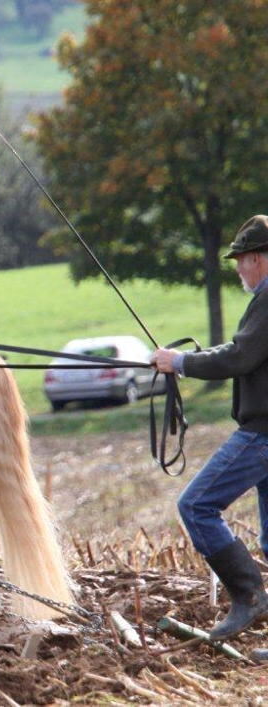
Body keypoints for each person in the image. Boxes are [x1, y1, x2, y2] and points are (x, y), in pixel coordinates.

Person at [152, 214, 268, 642]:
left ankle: (249, 596)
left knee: (197, 505)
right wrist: (182, 361)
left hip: (262, 434)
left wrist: (179, 362)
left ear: (258, 258)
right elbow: (243, 350)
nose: (238, 268)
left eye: (241, 260)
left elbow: (239, 358)